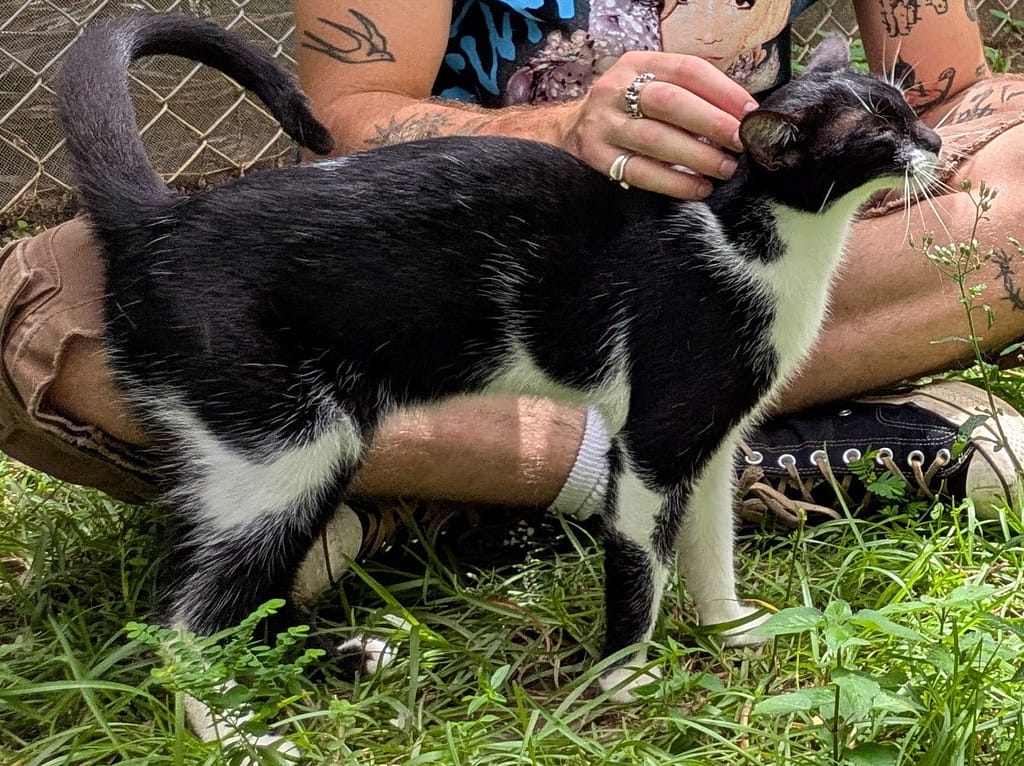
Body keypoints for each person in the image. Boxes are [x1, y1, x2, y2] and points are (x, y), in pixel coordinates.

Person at [2, 0, 1023, 591]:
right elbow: (343, 116)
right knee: (54, 306)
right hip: (492, 282)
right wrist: (568, 128)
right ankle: (753, 456)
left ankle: (443, 492)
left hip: (753, 265)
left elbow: (949, 96)